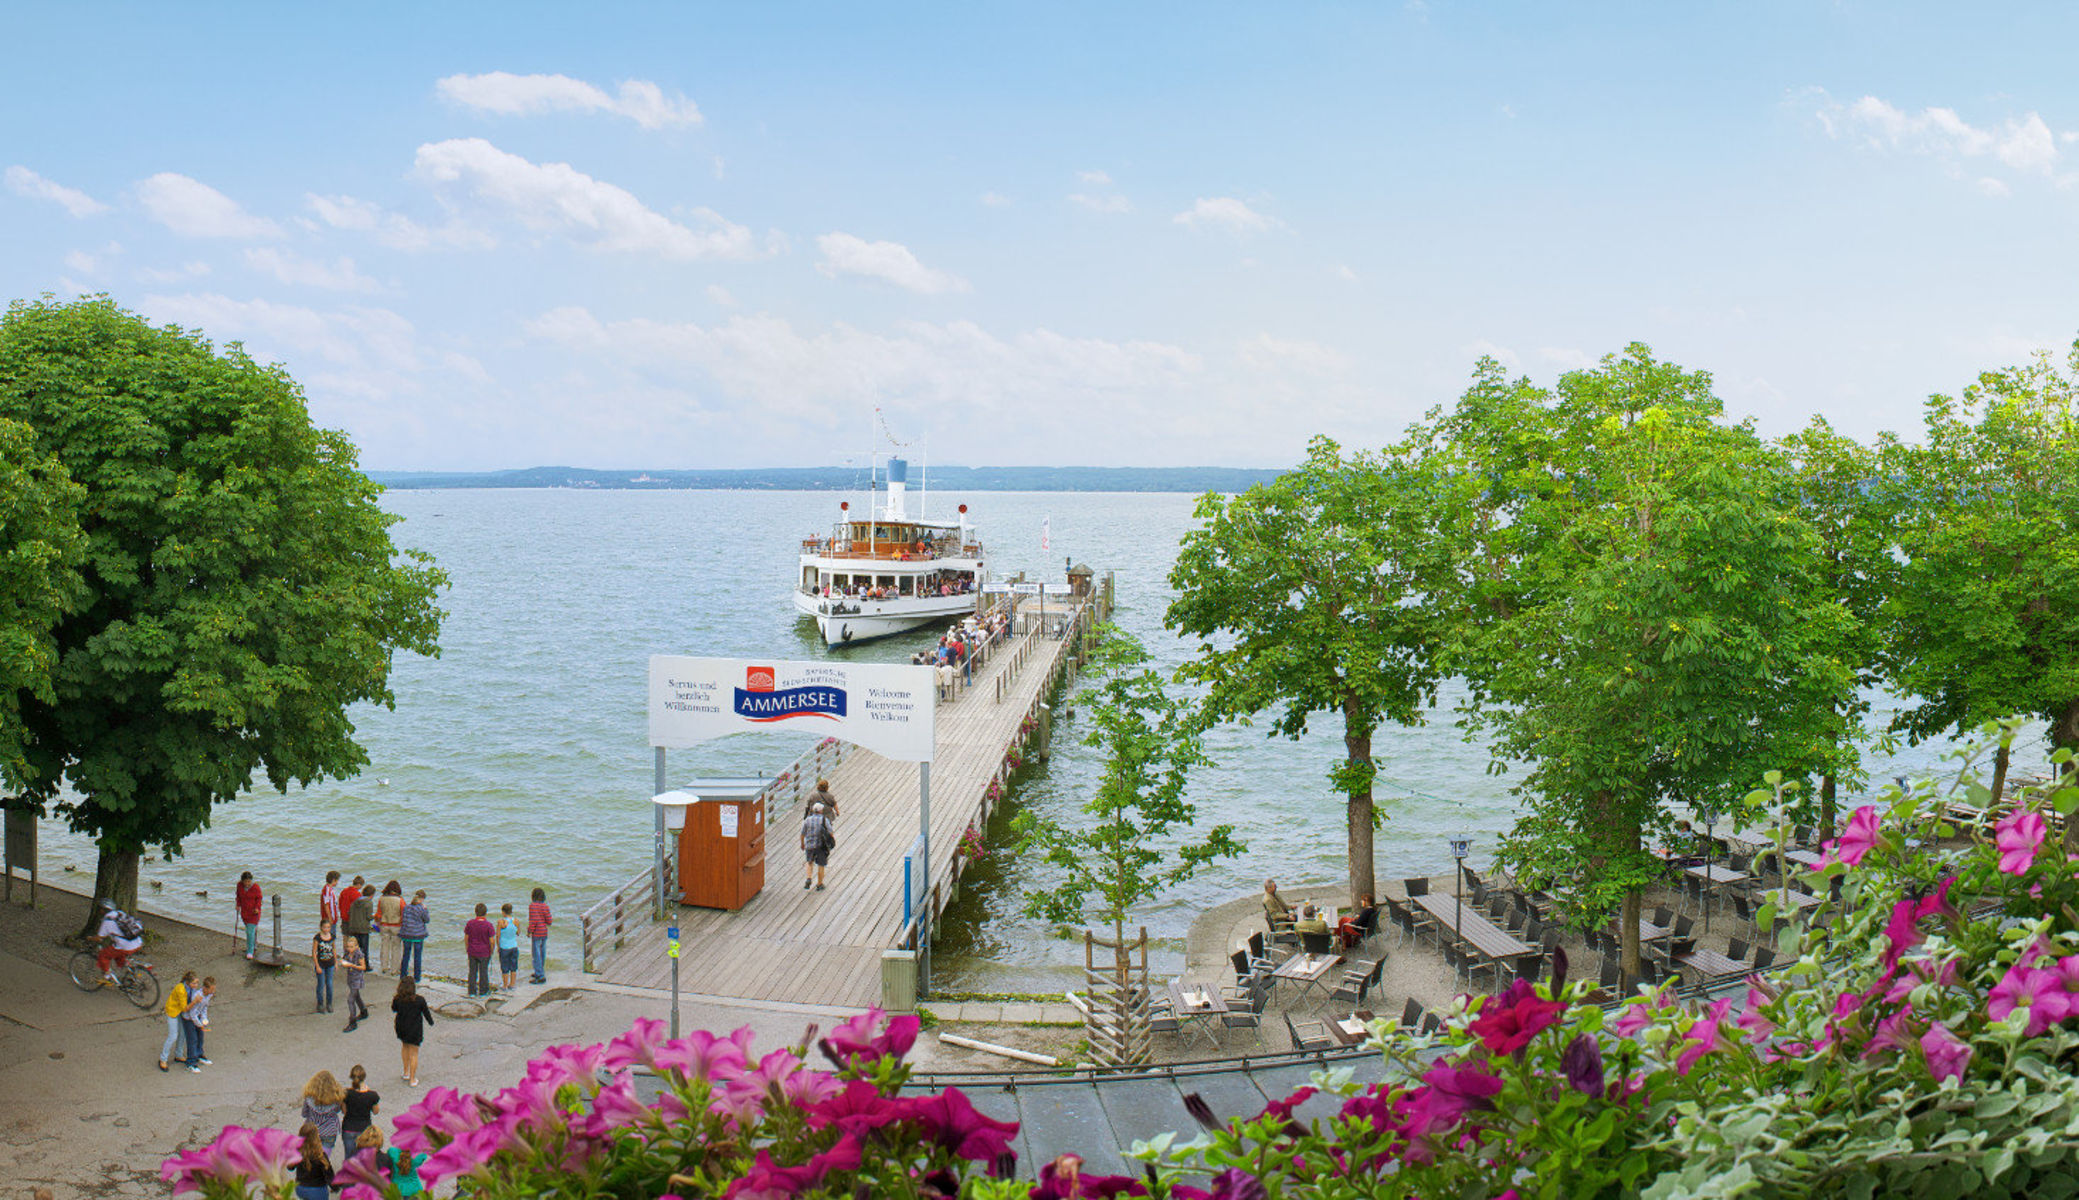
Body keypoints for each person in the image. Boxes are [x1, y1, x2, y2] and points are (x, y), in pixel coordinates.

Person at [393, 977, 434, 1087]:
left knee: (405, 1047)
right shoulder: (420, 1000)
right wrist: (431, 1022)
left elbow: (394, 1009)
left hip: (401, 1027)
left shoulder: (397, 999)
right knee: (414, 1053)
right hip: (414, 1029)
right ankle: (412, 1079)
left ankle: (406, 1072)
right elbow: (426, 1013)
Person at [94, 898, 143, 982]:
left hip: (126, 947)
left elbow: (99, 938)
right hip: (138, 942)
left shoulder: (107, 922)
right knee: (117, 953)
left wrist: (90, 938)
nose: (100, 910)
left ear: (103, 910)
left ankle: (107, 976)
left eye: (100, 908)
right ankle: (130, 972)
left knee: (103, 955)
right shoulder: (120, 913)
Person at [300, 1069, 346, 1157]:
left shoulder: (309, 1098)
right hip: (329, 1130)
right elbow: (337, 1110)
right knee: (324, 1158)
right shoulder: (336, 1099)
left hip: (312, 1130)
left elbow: (304, 1114)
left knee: (311, 1156)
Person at [159, 970, 196, 1073]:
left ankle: (178, 1054)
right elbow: (184, 1008)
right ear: (188, 982)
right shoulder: (181, 990)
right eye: (194, 983)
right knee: (173, 1036)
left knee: (183, 1033)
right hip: (173, 1012)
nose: (196, 985)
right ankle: (163, 1059)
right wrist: (195, 1001)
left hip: (178, 1011)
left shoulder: (189, 988)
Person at [339, 1064, 380, 1155]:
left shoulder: (346, 1093)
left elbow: (344, 1111)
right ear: (364, 1077)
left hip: (349, 1128)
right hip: (365, 1129)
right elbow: (376, 1111)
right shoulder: (372, 1095)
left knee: (349, 1156)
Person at [291, 1122, 333, 1200]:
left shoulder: (297, 1152)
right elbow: (329, 1175)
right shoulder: (320, 1156)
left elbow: (290, 1167)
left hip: (300, 1187)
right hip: (317, 1190)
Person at [181, 976, 214, 1071]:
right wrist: (200, 1024)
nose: (213, 991)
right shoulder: (197, 996)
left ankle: (199, 1054)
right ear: (205, 988)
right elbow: (192, 1014)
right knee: (192, 1039)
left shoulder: (209, 995)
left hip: (197, 1017)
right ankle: (190, 1062)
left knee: (200, 1036)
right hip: (189, 1018)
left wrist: (204, 1019)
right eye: (212, 989)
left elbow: (204, 1007)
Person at [463, 903, 495, 997]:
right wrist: (492, 950)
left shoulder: (470, 923)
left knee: (472, 971)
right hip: (484, 952)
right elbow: (492, 941)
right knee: (483, 972)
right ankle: (483, 991)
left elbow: (466, 937)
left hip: (472, 950)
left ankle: (472, 991)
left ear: (475, 912)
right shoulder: (488, 925)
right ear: (486, 913)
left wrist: (467, 948)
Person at [802, 802, 834, 892]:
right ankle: (819, 884)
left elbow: (802, 833)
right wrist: (832, 841)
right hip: (821, 845)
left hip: (809, 844)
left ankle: (809, 878)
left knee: (809, 862)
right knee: (821, 864)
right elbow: (830, 831)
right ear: (821, 811)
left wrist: (802, 843)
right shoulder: (824, 820)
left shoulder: (807, 820)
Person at [340, 935, 370, 1031]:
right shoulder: (347, 953)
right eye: (348, 947)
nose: (349, 949)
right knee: (357, 996)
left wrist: (352, 965)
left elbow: (363, 967)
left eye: (351, 947)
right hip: (351, 978)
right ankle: (364, 1011)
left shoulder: (359, 954)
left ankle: (352, 1022)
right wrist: (343, 962)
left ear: (356, 946)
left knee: (351, 999)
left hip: (357, 978)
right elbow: (343, 960)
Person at [399, 889, 429, 982]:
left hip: (406, 934)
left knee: (406, 955)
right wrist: (425, 909)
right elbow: (427, 920)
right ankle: (417, 977)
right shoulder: (421, 908)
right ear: (422, 899)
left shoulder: (407, 907)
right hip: (418, 935)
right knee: (417, 956)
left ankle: (403, 975)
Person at [377, 881, 404, 977]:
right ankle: (394, 969)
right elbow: (403, 913)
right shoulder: (400, 900)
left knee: (384, 946)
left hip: (384, 924)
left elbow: (379, 914)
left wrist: (378, 924)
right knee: (396, 947)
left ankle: (384, 966)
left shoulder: (382, 899)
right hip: (396, 925)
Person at [311, 917, 338, 1014]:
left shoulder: (332, 937)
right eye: (325, 927)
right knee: (321, 984)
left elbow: (334, 949)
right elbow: (314, 952)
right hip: (321, 964)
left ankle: (329, 1003)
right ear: (321, 928)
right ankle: (320, 1003)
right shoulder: (317, 938)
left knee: (330, 984)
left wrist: (336, 962)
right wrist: (317, 966)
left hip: (330, 963)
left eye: (328, 927)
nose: (326, 929)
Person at [235, 872, 263, 960]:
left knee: (249, 931)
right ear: (242, 881)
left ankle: (250, 951)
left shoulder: (256, 887)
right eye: (245, 881)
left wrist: (257, 908)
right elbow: (238, 896)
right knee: (250, 930)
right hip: (245, 912)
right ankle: (254, 945)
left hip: (254, 913)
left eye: (249, 881)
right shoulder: (239, 886)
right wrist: (238, 905)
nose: (247, 884)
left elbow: (259, 899)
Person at [526, 887, 551, 985]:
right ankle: (540, 971)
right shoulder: (545, 906)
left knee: (536, 955)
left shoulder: (532, 906)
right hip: (544, 932)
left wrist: (529, 931)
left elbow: (534, 921)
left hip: (536, 933)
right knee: (542, 953)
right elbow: (549, 921)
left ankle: (540, 976)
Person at [345, 883, 374, 964]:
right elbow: (369, 917)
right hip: (363, 929)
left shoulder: (355, 902)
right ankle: (365, 965)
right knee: (364, 948)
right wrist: (374, 916)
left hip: (353, 927)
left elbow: (349, 912)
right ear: (371, 894)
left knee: (355, 948)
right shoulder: (368, 902)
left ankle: (354, 962)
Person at [495, 902, 521, 991]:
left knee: (505, 967)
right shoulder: (516, 921)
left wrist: (498, 947)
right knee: (513, 966)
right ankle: (512, 984)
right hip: (514, 946)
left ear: (503, 912)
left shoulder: (501, 922)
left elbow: (498, 936)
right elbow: (518, 933)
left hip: (504, 947)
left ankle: (505, 985)